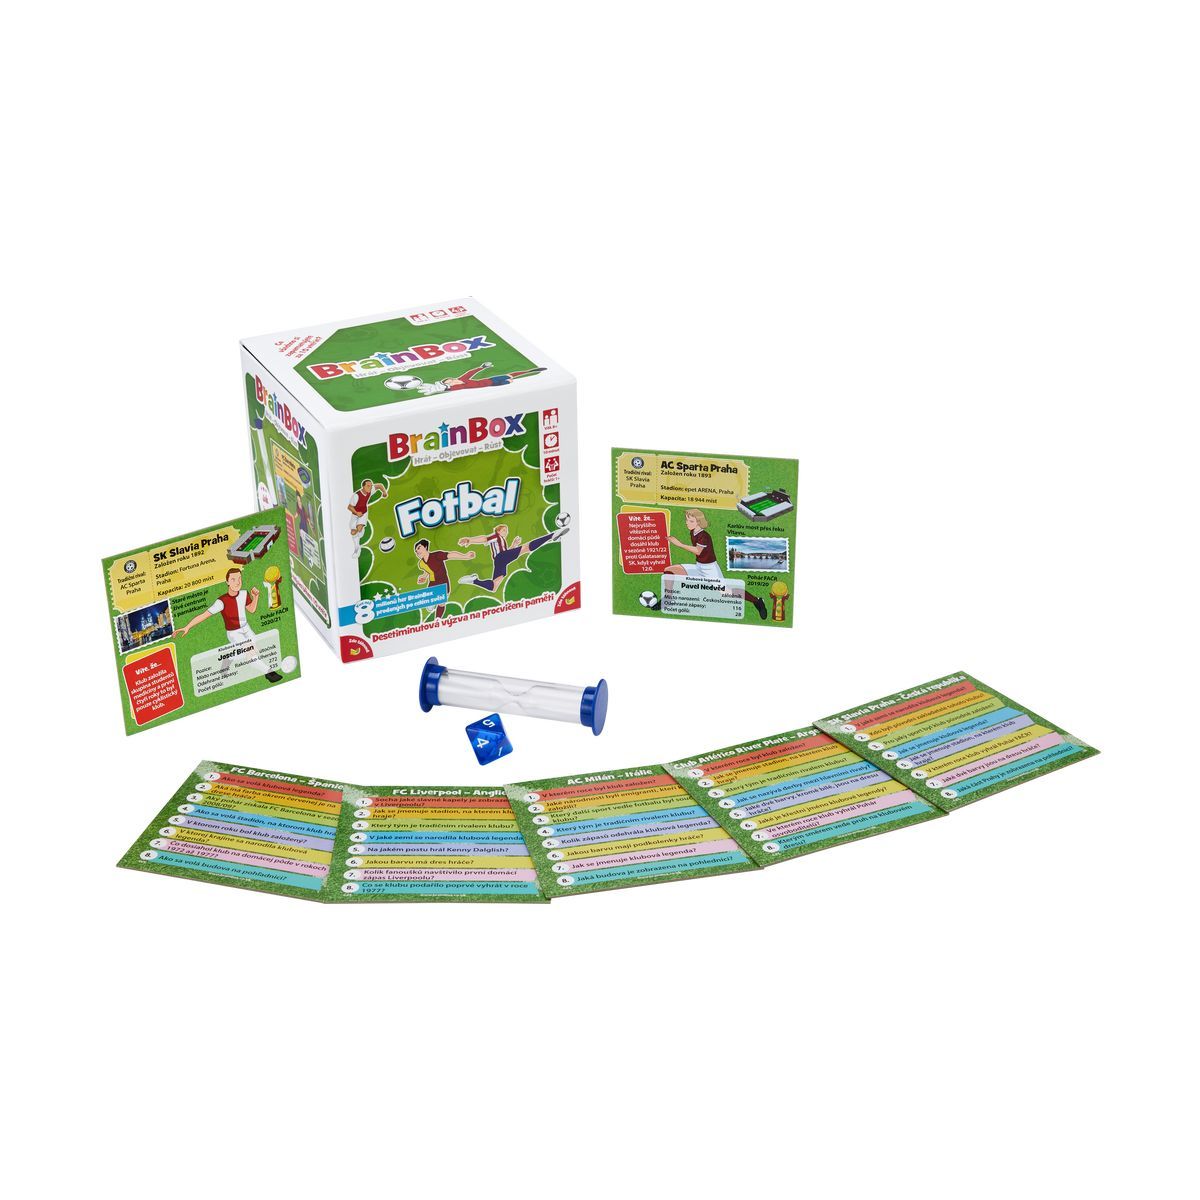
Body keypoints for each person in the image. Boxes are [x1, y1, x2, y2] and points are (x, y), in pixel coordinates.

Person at [178, 567, 283, 680]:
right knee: (250, 653)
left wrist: (255, 597)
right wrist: (187, 626)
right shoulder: (221, 601)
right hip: (234, 633)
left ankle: (228, 657)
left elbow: (251, 610)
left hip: (247, 628)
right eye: (233, 579)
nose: (237, 582)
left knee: (251, 651)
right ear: (227, 582)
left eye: (239, 578)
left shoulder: (244, 593)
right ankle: (269, 672)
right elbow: (204, 615)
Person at [665, 509, 767, 620]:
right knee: (669, 570)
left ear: (699, 522)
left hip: (710, 569)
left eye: (691, 521)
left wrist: (679, 544)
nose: (687, 523)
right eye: (686, 520)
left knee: (725, 593)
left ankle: (757, 601)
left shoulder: (704, 536)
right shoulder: (693, 532)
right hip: (699, 566)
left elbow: (698, 551)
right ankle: (668, 599)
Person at [457, 515, 570, 592]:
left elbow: (506, 553)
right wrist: (469, 540)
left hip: (500, 561)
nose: (506, 532)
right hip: (501, 558)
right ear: (498, 531)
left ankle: (474, 580)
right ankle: (552, 535)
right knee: (526, 547)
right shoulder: (496, 536)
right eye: (504, 530)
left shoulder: (501, 541)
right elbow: (485, 538)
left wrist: (514, 545)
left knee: (494, 587)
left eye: (506, 531)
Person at [385, 363, 546, 396]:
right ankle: (530, 373)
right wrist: (444, 388)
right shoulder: (460, 387)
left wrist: (482, 367)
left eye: (450, 380)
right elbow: (455, 388)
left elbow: (471, 372)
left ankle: (532, 370)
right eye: (449, 382)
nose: (452, 381)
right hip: (492, 385)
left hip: (491, 380)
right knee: (509, 381)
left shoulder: (462, 380)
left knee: (512, 375)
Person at [414, 538, 475, 620]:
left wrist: (465, 556)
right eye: (416, 551)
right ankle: (432, 605)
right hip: (432, 584)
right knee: (429, 608)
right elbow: (428, 570)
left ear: (425, 547)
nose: (417, 551)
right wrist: (424, 577)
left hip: (443, 582)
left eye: (419, 548)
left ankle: (437, 619)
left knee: (441, 603)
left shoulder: (437, 555)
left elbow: (451, 555)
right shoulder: (421, 563)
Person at [347, 478, 388, 555]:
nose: (370, 487)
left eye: (371, 486)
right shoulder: (356, 496)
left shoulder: (370, 491)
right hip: (355, 514)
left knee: (359, 528)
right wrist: (356, 512)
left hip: (364, 513)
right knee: (353, 532)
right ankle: (357, 547)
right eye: (368, 486)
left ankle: (357, 548)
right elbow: (349, 507)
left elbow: (379, 485)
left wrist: (384, 492)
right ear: (363, 487)